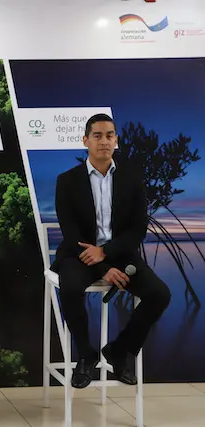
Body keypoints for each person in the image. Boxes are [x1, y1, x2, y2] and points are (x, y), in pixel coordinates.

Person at [51, 113, 171, 389]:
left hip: (119, 253)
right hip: (77, 254)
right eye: (97, 136)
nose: (104, 141)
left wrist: (107, 254)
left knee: (159, 294)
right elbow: (71, 233)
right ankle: (85, 355)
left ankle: (121, 349)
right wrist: (103, 269)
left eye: (109, 135)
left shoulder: (132, 177)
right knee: (70, 287)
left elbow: (139, 227)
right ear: (85, 140)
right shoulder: (67, 181)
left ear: (116, 140)